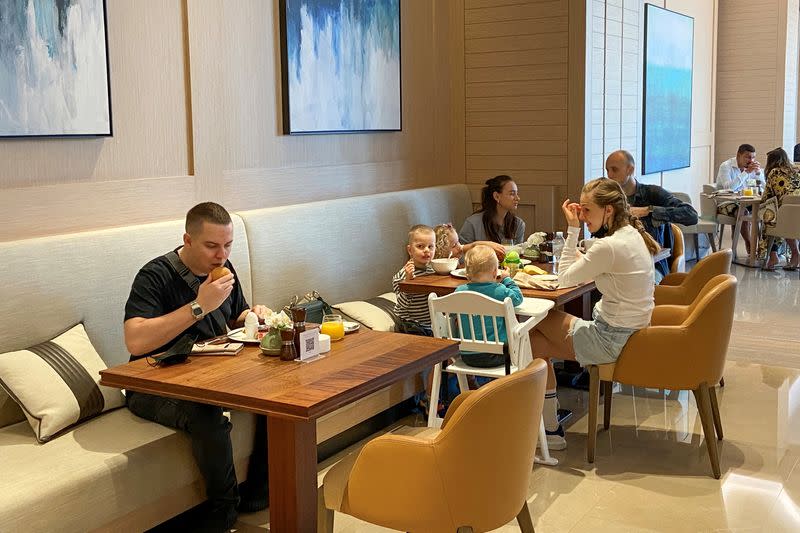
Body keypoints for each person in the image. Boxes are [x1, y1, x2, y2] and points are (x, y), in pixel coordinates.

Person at [124, 202, 269, 532]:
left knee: (279, 396)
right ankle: (224, 510)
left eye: (228, 245)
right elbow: (134, 341)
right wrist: (198, 307)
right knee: (205, 413)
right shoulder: (155, 275)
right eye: (212, 246)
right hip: (154, 383)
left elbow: (233, 316)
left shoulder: (224, 269)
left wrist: (250, 316)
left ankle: (260, 492)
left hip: (213, 374)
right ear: (187, 240)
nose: (221, 255)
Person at [529, 178, 658, 450]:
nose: (581, 215)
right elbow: (599, 261)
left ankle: (546, 426)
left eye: (586, 210)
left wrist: (572, 228)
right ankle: (549, 429)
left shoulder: (608, 246)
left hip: (612, 338)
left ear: (608, 210)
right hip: (631, 332)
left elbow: (563, 278)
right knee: (536, 343)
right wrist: (584, 249)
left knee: (533, 327)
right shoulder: (630, 236)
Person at [605, 150, 698, 282]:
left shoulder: (652, 193)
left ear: (630, 170)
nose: (609, 175)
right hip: (618, 265)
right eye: (607, 170)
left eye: (614, 170)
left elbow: (691, 215)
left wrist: (649, 211)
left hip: (652, 265)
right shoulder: (609, 199)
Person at [454, 245, 522, 368]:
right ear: (495, 272)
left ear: (467, 273)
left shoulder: (459, 292)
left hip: (467, 355)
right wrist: (507, 279)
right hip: (497, 355)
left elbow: (452, 315)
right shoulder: (500, 291)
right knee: (524, 338)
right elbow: (518, 298)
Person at [716, 144, 765, 254]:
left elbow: (765, 188)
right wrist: (746, 173)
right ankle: (750, 244)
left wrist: (758, 174)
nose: (751, 160)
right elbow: (729, 188)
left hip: (745, 201)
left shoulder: (752, 168)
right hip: (725, 202)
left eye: (753, 157)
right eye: (747, 157)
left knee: (765, 211)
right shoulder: (726, 166)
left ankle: (764, 248)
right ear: (738, 155)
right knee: (743, 212)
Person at [758, 147, 800, 270]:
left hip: (785, 215)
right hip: (797, 213)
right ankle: (793, 253)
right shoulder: (796, 171)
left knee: (768, 216)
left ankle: (773, 254)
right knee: (784, 219)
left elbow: (766, 197)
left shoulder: (774, 172)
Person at [392, 224, 436, 335]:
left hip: (428, 323)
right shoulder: (403, 275)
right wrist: (408, 282)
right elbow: (402, 303)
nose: (426, 250)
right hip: (409, 323)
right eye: (420, 246)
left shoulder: (432, 270)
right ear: (410, 250)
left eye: (431, 246)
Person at [459, 175, 526, 246]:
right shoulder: (472, 223)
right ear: (496, 196)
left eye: (517, 193)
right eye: (512, 194)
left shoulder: (518, 224)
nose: (517, 198)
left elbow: (518, 254)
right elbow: (460, 253)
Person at [433, 222, 506, 263]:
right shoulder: (437, 265)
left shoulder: (457, 251)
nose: (459, 246)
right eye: (454, 245)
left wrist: (489, 244)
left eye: (458, 241)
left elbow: (472, 246)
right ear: (441, 251)